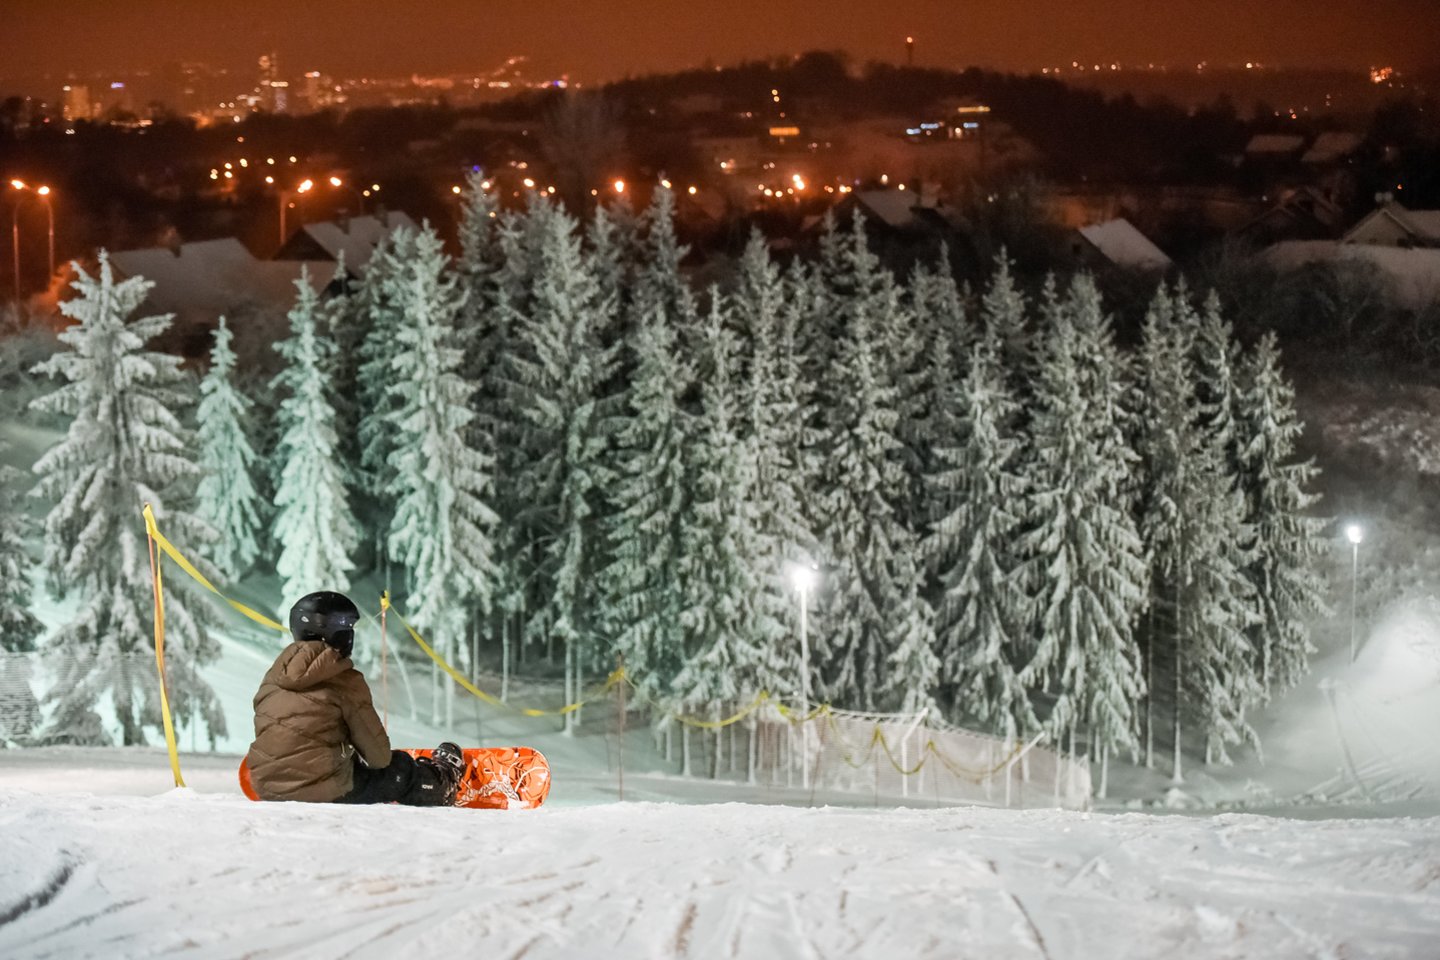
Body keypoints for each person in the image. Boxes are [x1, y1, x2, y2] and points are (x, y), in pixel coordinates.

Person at [246, 591, 465, 806]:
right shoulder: (345, 679)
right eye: (346, 629)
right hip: (326, 790)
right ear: (337, 635)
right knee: (399, 768)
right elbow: (379, 757)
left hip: (267, 787)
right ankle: (443, 785)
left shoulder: (272, 677)